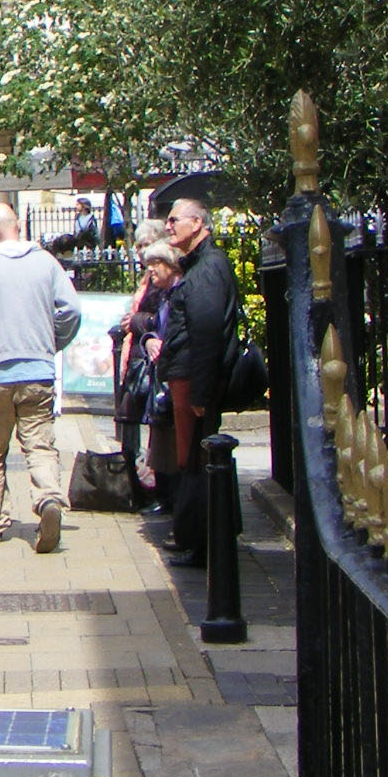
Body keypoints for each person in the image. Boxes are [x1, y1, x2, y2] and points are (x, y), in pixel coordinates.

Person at [0, 202, 82, 551]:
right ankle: (48, 499)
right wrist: (53, 342)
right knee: (40, 444)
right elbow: (71, 309)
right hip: (37, 370)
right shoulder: (45, 262)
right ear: (19, 225)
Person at [161, 199, 236, 565]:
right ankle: (203, 539)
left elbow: (207, 334)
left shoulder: (207, 270)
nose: (168, 225)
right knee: (196, 461)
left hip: (194, 381)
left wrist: (201, 392)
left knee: (198, 461)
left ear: (197, 222)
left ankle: (205, 542)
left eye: (174, 219)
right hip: (189, 379)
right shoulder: (200, 266)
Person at [121, 239, 182, 508]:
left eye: (156, 263)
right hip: (160, 376)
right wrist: (147, 338)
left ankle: (170, 499)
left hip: (174, 379)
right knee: (159, 439)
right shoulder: (166, 293)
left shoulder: (177, 292)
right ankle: (165, 496)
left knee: (170, 442)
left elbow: (170, 330)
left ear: (170, 265)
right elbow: (153, 325)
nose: (150, 269)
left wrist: (144, 329)